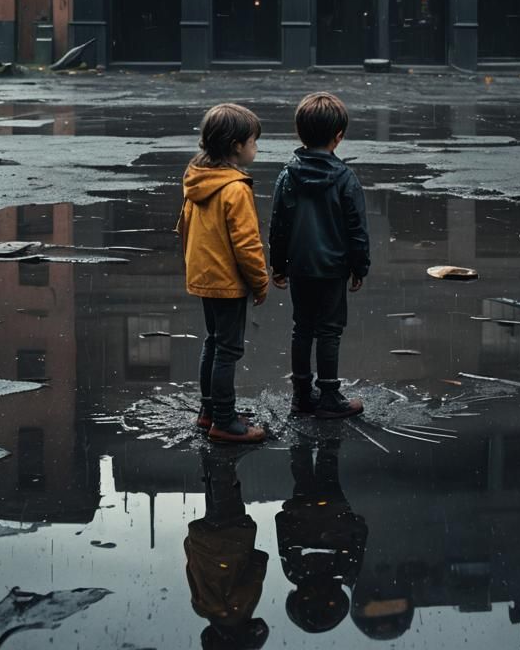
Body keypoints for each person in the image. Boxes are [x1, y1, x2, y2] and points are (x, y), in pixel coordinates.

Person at [269, 92, 370, 419]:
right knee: (329, 330)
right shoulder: (345, 178)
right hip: (332, 268)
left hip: (299, 267)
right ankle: (329, 394)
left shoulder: (288, 176)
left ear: (300, 133)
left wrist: (279, 264)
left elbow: (279, 224)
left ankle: (301, 394)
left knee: (302, 328)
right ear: (338, 137)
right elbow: (356, 228)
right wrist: (359, 266)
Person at [177, 103, 269, 443]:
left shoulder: (198, 178)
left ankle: (209, 411)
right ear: (236, 147)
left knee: (213, 343)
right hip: (228, 282)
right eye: (253, 142)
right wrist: (259, 282)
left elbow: (183, 226)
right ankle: (225, 421)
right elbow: (247, 244)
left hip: (203, 276)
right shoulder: (235, 188)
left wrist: (193, 267)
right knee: (228, 349)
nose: (256, 148)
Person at [276, 440, 368, 634]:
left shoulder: (344, 572)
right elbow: (283, 538)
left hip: (330, 513)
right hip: (309, 513)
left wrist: (355, 523)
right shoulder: (297, 573)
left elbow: (360, 537)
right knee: (307, 475)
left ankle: (324, 441)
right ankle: (306, 443)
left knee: (324, 474)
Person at [184, 449, 270, 650]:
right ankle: (211, 461)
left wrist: (258, 561)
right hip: (204, 542)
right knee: (215, 501)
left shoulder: (235, 612)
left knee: (229, 499)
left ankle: (223, 458)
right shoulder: (202, 607)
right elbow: (191, 570)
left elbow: (252, 577)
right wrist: (192, 545)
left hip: (231, 543)